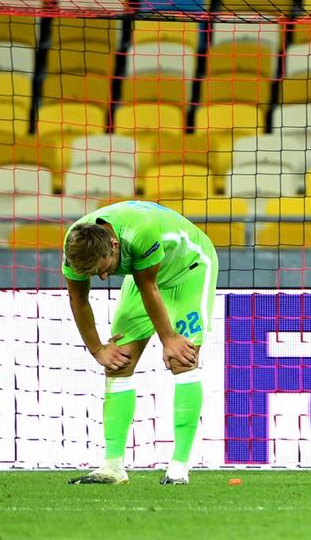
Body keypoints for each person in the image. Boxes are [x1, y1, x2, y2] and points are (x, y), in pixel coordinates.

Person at [62, 200, 218, 485]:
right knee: (118, 362)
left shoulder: (140, 232)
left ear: (113, 246)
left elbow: (150, 286)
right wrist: (98, 349)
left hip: (189, 269)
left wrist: (168, 338)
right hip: (144, 276)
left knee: (181, 359)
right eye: (94, 274)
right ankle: (112, 467)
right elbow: (78, 299)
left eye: (104, 269)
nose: (104, 276)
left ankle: (179, 467)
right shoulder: (74, 245)